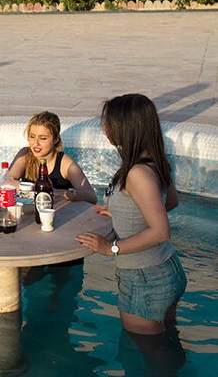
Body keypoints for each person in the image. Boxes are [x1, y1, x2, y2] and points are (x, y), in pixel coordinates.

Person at [76, 93, 187, 336]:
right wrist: (120, 211)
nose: (105, 127)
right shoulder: (155, 160)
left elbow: (160, 232)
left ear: (127, 127)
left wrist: (110, 248)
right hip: (166, 270)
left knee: (148, 356)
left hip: (145, 280)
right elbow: (171, 202)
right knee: (166, 345)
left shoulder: (137, 173)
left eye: (109, 122)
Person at [9, 111, 97, 204]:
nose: (36, 143)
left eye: (43, 138)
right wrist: (37, 189)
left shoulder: (65, 164)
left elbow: (91, 196)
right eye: (32, 137)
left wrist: (66, 194)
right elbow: (6, 182)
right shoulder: (25, 155)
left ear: (55, 139)